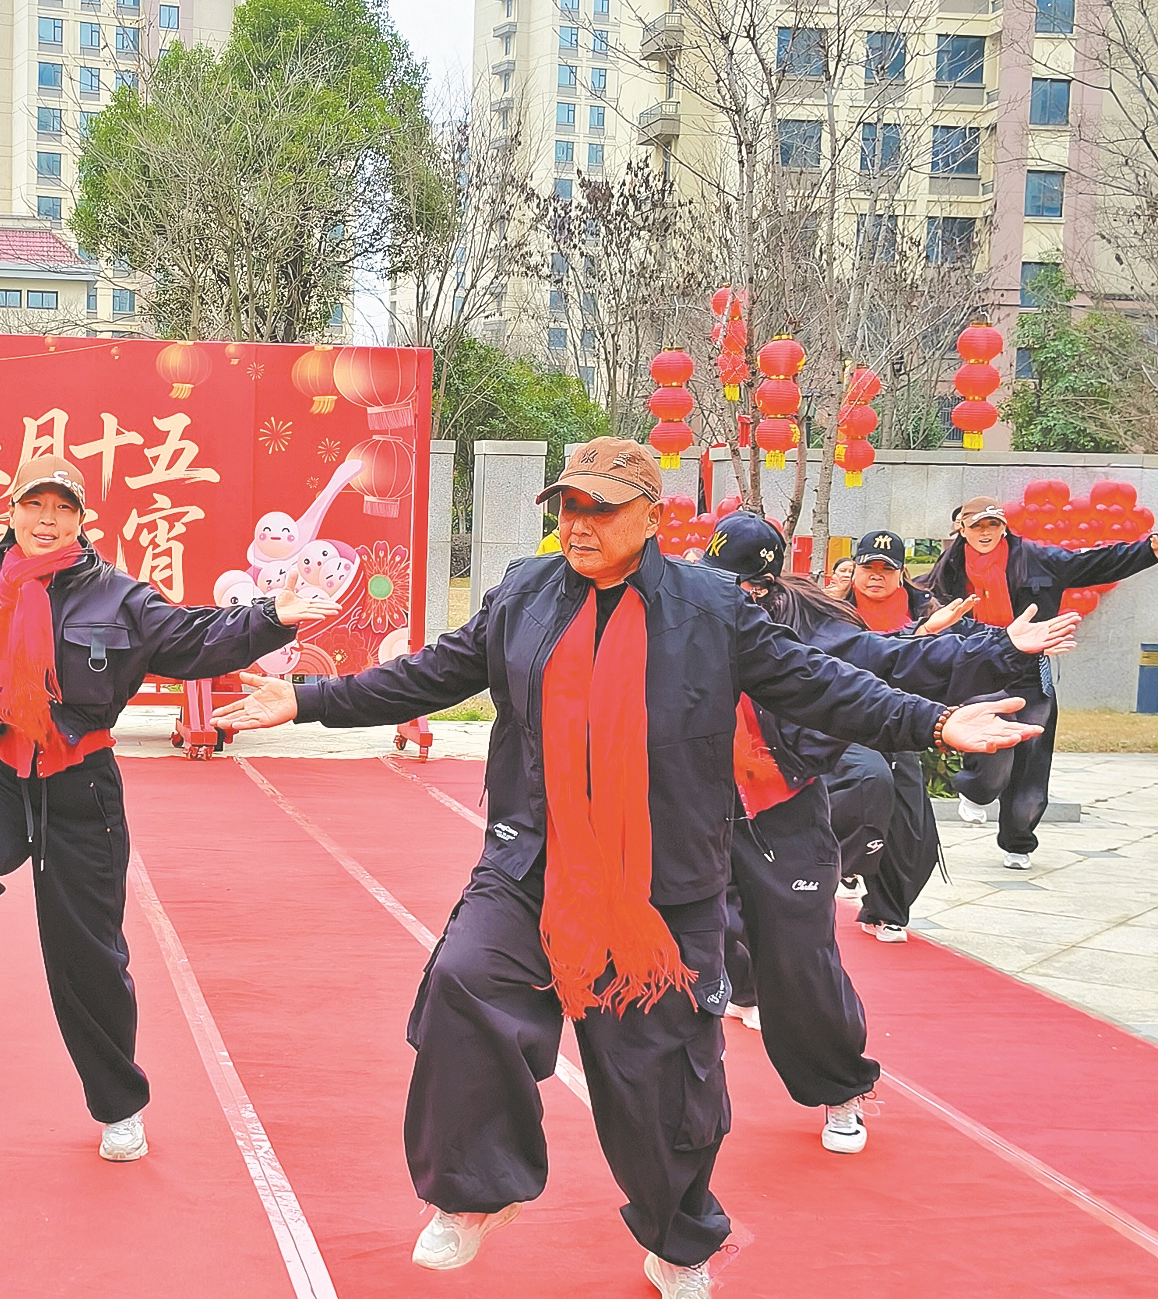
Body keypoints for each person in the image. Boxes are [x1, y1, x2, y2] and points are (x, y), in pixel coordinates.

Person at [210, 438, 1041, 1297]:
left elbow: (821, 683)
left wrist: (933, 723)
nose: (579, 524)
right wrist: (307, 698)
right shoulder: (524, 594)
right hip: (532, 858)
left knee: (659, 1086)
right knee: (464, 982)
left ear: (650, 517)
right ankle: (476, 1190)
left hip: (661, 882)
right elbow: (433, 674)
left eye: (600, 508)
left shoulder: (712, 608)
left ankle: (678, 1240)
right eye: (569, 506)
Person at [0, 455, 337, 1163]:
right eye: (34, 506)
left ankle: (120, 1107)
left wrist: (270, 618)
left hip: (83, 789)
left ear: (82, 520)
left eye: (62, 508)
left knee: (87, 956)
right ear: (11, 513)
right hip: (5, 773)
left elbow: (192, 638)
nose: (47, 521)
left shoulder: (118, 597)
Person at [699, 512, 1077, 1157]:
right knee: (683, 946)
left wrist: (999, 650)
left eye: (738, 587)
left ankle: (840, 1088)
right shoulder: (675, 620)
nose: (722, 598)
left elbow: (888, 660)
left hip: (781, 808)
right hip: (694, 811)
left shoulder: (802, 630)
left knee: (801, 959)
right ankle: (681, 1106)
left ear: (762, 588)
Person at [927, 495, 1158, 869]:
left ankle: (1018, 842)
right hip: (976, 670)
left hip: (1030, 673)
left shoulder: (1036, 558)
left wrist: (1148, 550)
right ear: (962, 530)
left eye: (992, 525)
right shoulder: (948, 569)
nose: (985, 533)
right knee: (990, 752)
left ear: (1004, 527)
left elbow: (1093, 562)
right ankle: (977, 790)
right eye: (976, 526)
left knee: (1031, 762)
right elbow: (915, 604)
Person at [827, 530, 966, 934]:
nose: (876, 576)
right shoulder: (829, 611)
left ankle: (885, 911)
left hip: (900, 724)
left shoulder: (927, 610)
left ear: (901, 572)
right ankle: (842, 864)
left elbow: (948, 663)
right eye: (868, 567)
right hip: (841, 724)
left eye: (886, 569)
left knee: (913, 833)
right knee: (871, 787)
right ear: (855, 569)